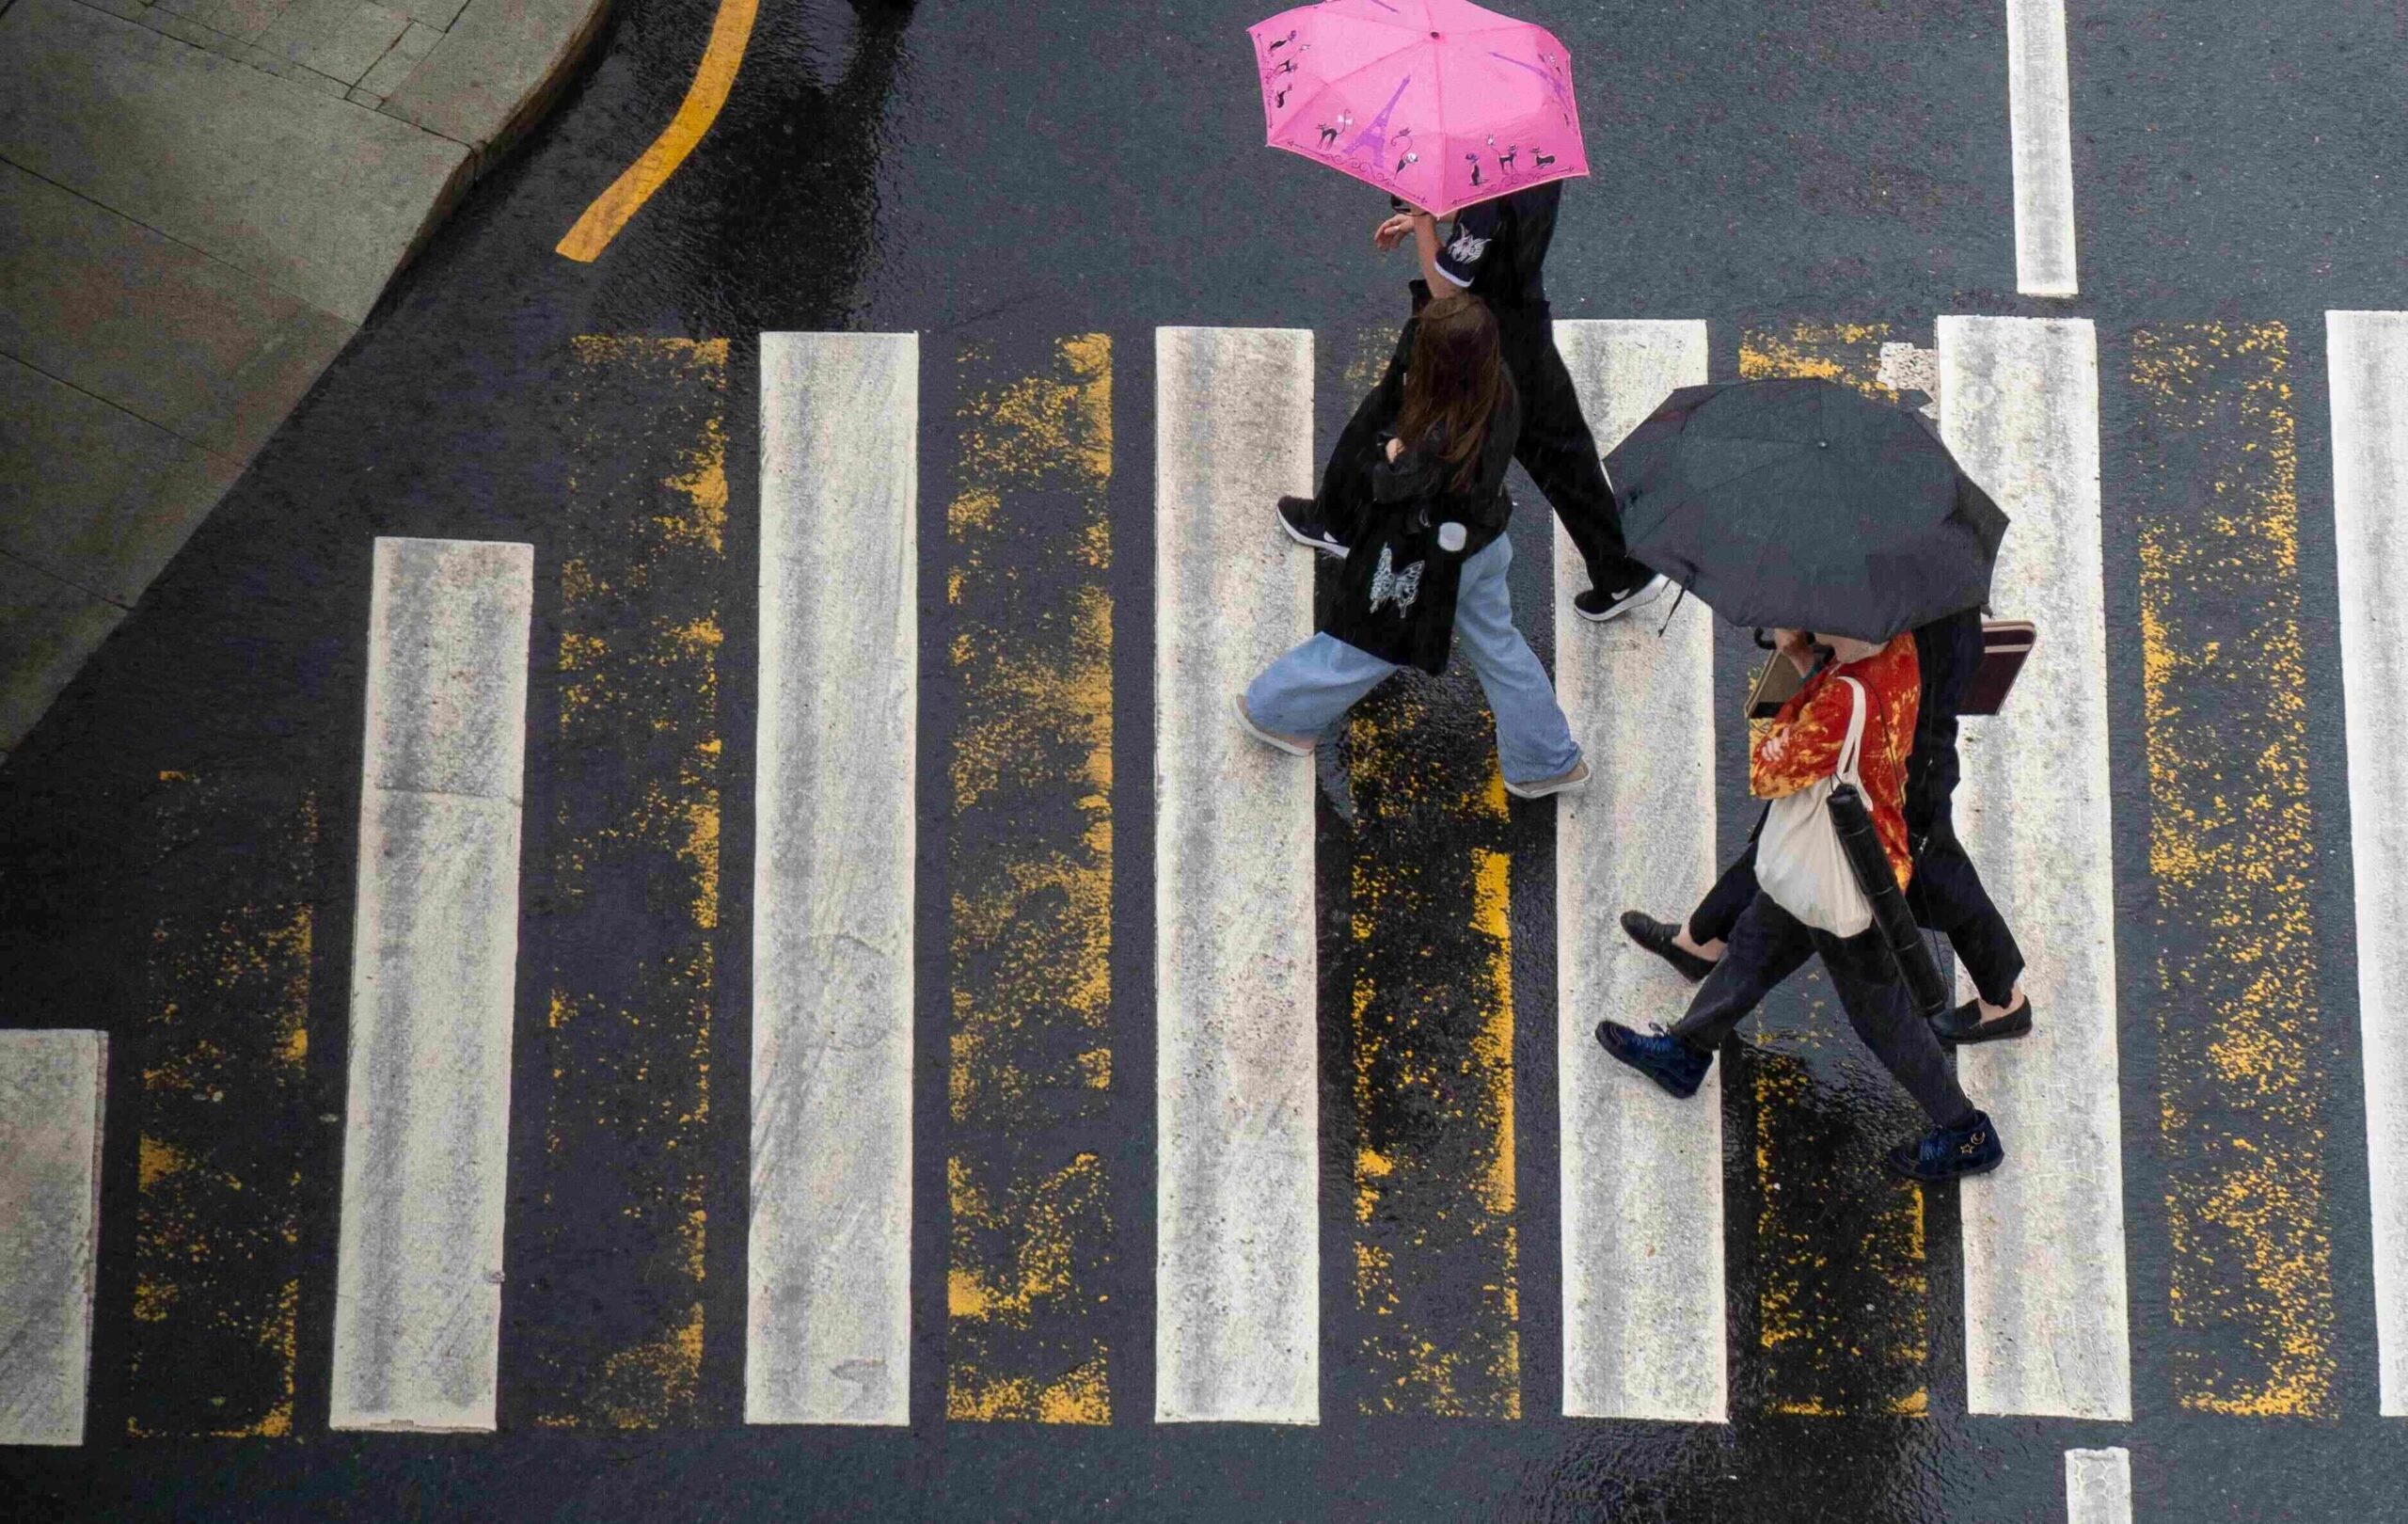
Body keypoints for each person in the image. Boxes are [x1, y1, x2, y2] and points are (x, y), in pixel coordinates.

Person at [1595, 627, 2005, 1183]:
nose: (1800, 619)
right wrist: (1817, 660)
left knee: (1882, 1019)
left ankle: (1966, 1132)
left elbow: (1768, 770)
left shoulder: (1842, 697)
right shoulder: (1902, 649)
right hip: (1851, 848)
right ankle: (1686, 1050)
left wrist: (1796, 666)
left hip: (1845, 874)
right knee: (1754, 945)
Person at [1234, 294, 1590, 801]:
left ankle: (1274, 711)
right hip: (1483, 545)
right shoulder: (1500, 388)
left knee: (1366, 643)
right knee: (1500, 649)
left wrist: (1392, 452)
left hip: (1429, 564)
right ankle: (1543, 760)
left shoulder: (1438, 436)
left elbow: (1388, 485)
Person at [1620, 609, 2032, 1042]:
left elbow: (1782, 761)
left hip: (1902, 771)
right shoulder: (1932, 597)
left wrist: (1803, 660)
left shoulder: (1898, 634)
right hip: (1903, 755)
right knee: (1796, 837)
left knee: (1932, 871)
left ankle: (2003, 1000)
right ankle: (1702, 940)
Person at [1276, 181, 1670, 627]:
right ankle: (1619, 571)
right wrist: (1450, 219)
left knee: (1386, 412)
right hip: (1525, 329)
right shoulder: (1534, 159)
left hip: (1465, 341)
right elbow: (1502, 217)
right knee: (1563, 457)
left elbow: (1446, 289)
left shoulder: (1485, 187)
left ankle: (1339, 521)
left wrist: (1424, 220)